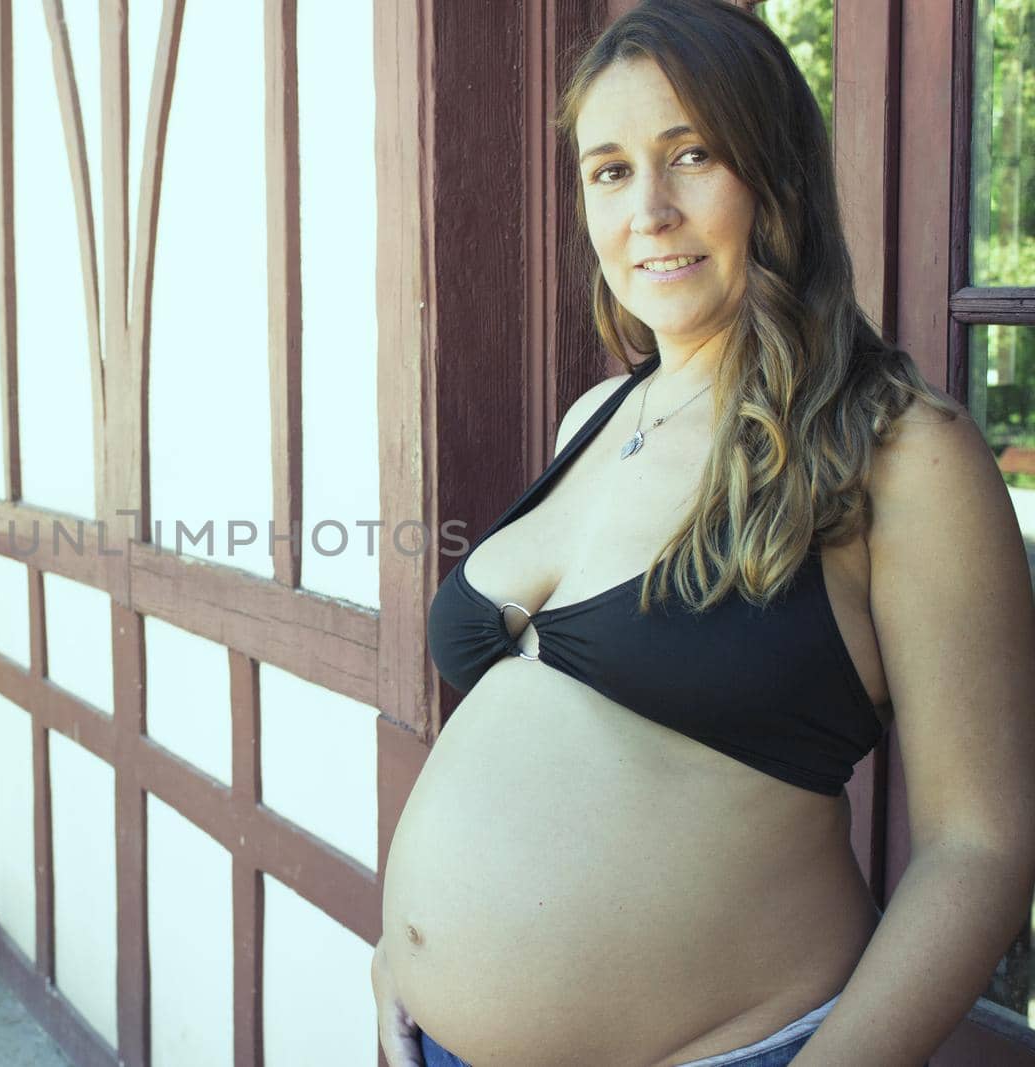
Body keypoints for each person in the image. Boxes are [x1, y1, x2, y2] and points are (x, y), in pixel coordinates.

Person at [370, 1, 1035, 1065]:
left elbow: (982, 844)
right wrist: (400, 954)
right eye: (611, 169)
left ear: (775, 176)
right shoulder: (593, 418)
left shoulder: (903, 453)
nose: (650, 210)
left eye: (692, 156)